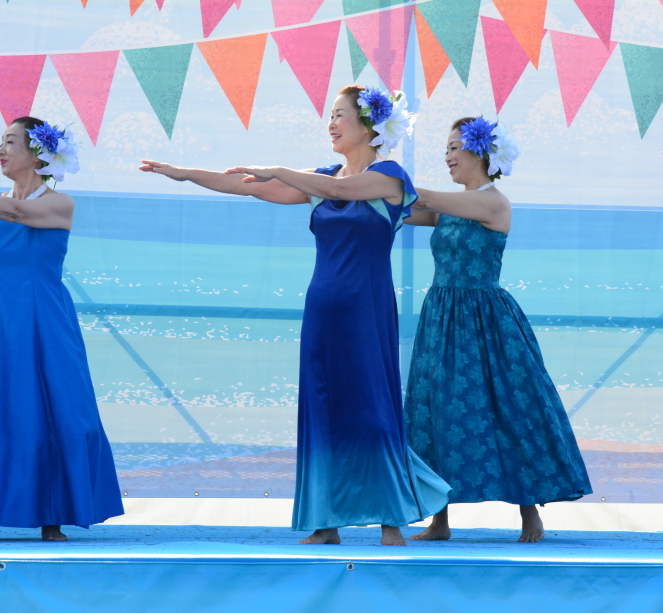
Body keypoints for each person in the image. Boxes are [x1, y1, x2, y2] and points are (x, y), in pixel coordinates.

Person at [140, 85, 450, 546]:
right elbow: (244, 185)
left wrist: (281, 170)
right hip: (323, 308)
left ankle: (391, 520)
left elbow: (339, 190)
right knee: (323, 409)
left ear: (368, 125)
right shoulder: (319, 179)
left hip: (366, 309)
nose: (331, 123)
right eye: (330, 115)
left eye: (339, 115)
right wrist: (184, 174)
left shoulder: (389, 176)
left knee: (373, 408)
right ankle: (325, 522)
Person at [403, 117, 592, 543]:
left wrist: (384, 177)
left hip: (486, 321)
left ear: (479, 152)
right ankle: (439, 520)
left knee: (508, 408)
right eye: (446, 149)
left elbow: (421, 197)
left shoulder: (494, 203)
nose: (447, 156)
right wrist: (348, 188)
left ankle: (530, 512)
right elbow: (402, 209)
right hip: (442, 318)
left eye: (454, 148)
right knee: (437, 408)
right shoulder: (450, 206)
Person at [0, 117, 124, 541]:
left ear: (38, 154)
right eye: (0, 142)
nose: (1, 150)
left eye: (10, 142)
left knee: (50, 406)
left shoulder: (60, 204)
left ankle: (52, 515)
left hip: (42, 318)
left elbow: (17, 212)